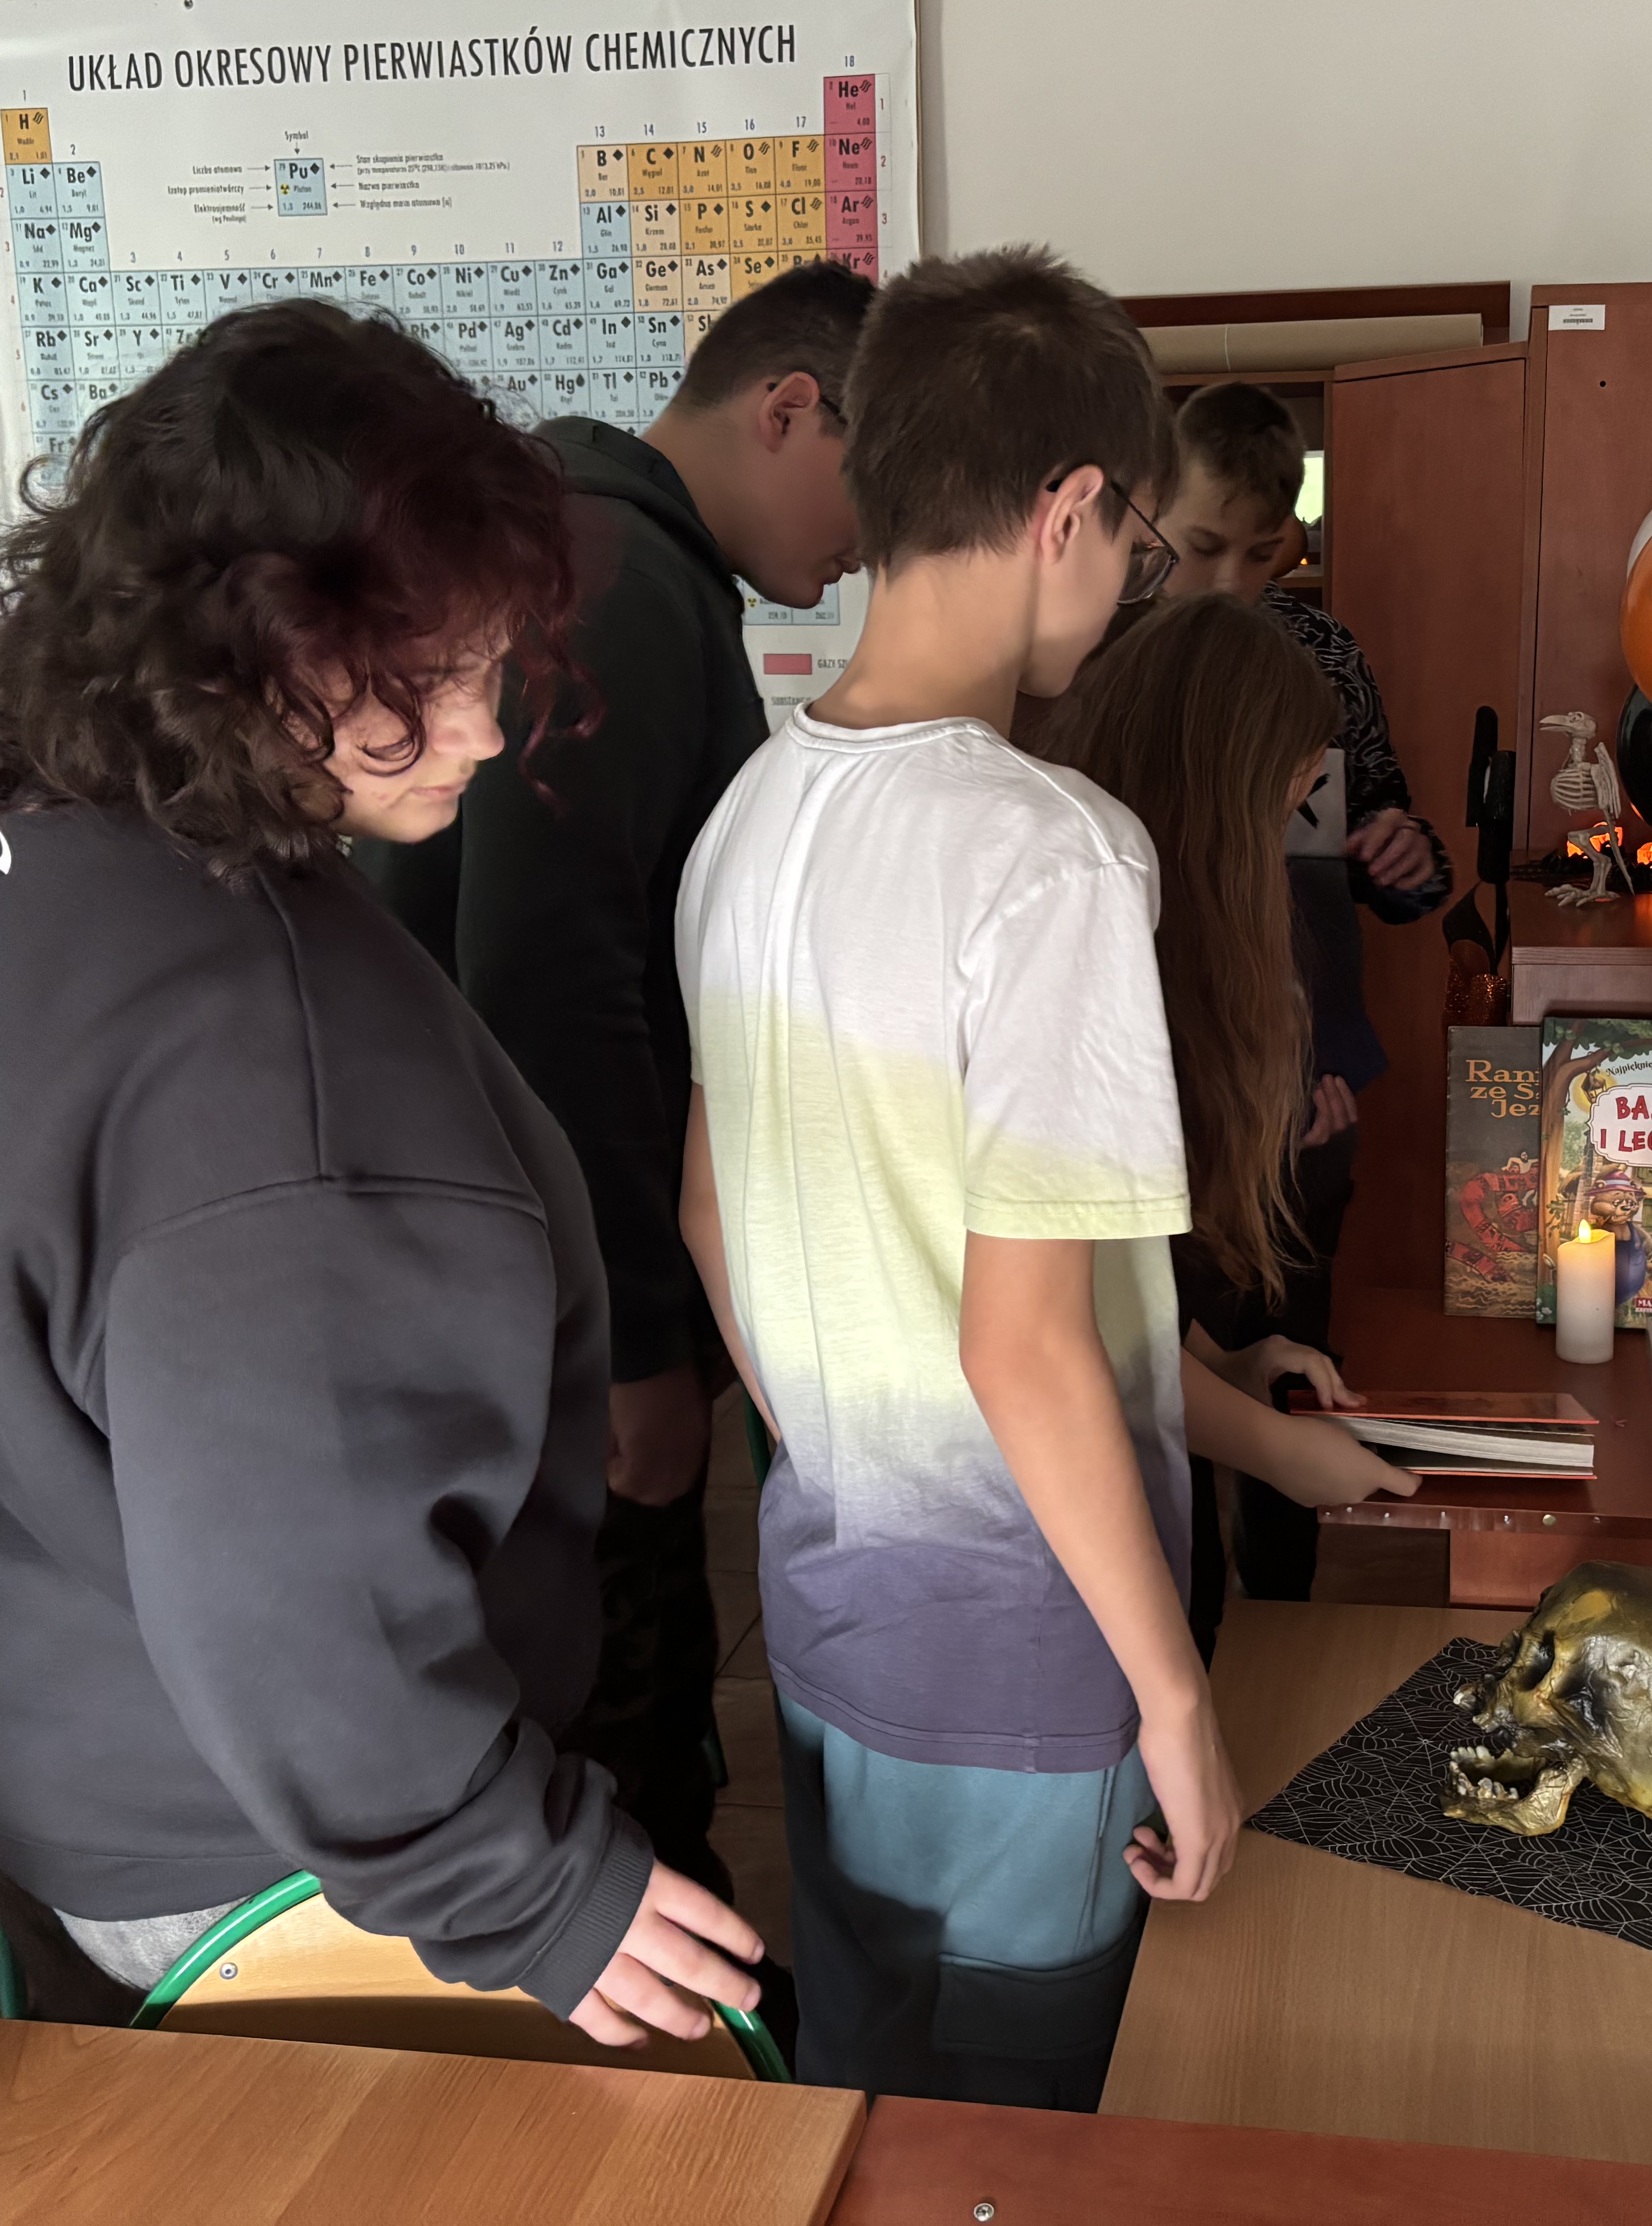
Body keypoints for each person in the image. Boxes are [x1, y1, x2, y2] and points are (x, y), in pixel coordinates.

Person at [0, 300, 763, 2045]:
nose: (487, 729)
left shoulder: (1, 797)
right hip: (251, 1845)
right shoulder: (273, 1075)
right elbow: (305, 1598)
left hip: (26, 1707)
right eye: (436, 676)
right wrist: (530, 1885)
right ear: (260, 648)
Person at [677, 247, 1231, 2107]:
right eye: (1136, 537)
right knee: (1022, 2136)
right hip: (1029, 1658)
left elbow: (708, 1210)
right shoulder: (1051, 854)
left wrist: (851, 1445)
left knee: (871, 2094)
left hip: (835, 1609)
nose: (1126, 579)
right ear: (1070, 508)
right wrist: (1175, 1698)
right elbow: (1026, 1345)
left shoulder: (747, 818)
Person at [357, 259, 874, 1911]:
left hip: (511, 1263)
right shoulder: (622, 580)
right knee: (613, 1715)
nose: (872, 544)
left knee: (605, 1691)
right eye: (876, 483)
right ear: (789, 407)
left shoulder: (607, 555)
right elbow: (550, 985)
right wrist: (639, 1340)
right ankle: (668, 2034)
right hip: (541, 1289)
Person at [1024, 592, 1423, 1657]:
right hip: (1058, 1519)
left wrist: (1227, 1362)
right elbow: (1075, 1324)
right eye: (1284, 801)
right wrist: (1278, 1452)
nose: (1290, 834)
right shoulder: (1098, 950)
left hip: (1133, 1435)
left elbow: (1133, 1284)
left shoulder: (1180, 938)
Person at [1147, 381, 1454, 1599]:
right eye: (1201, 548)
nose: (1231, 583)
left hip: (1314, 1081)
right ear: (1150, 515)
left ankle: (1285, 1618)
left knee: (1290, 1367)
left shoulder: (1322, 654)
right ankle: (1185, 1628)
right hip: (1171, 1091)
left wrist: (1405, 858)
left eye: (1261, 554)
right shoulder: (1112, 662)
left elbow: (1391, 833)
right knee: (1157, 1382)